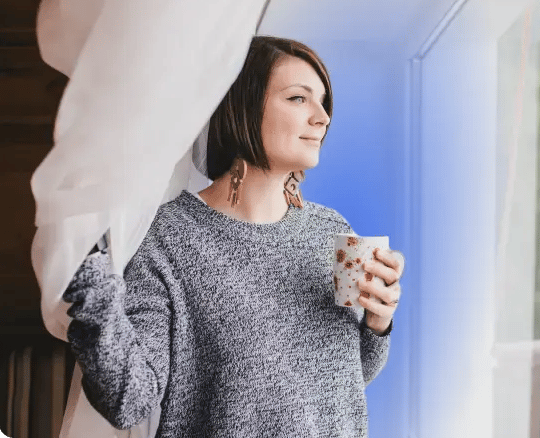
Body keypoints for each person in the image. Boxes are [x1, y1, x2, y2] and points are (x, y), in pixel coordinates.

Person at [62, 35, 404, 436]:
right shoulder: (169, 239)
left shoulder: (332, 232)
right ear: (243, 105)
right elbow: (128, 400)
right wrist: (91, 283)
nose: (322, 117)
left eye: (323, 102)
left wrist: (378, 323)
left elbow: (352, 375)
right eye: (298, 98)